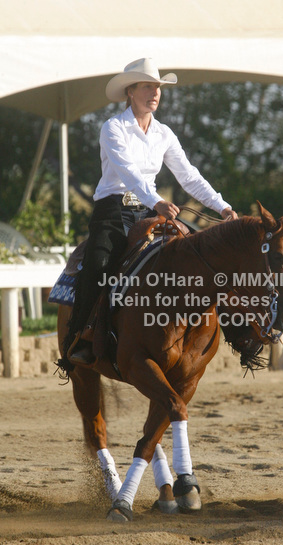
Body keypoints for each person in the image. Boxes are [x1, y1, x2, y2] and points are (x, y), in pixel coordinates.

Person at [65, 57, 238, 366]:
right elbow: (129, 173)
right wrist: (157, 201)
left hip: (148, 212)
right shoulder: (113, 128)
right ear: (130, 91)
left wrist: (221, 206)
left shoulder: (164, 133)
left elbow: (189, 175)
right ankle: (82, 337)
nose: (155, 93)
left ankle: (229, 333)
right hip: (113, 210)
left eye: (157, 87)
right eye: (147, 86)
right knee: (99, 263)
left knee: (195, 255)